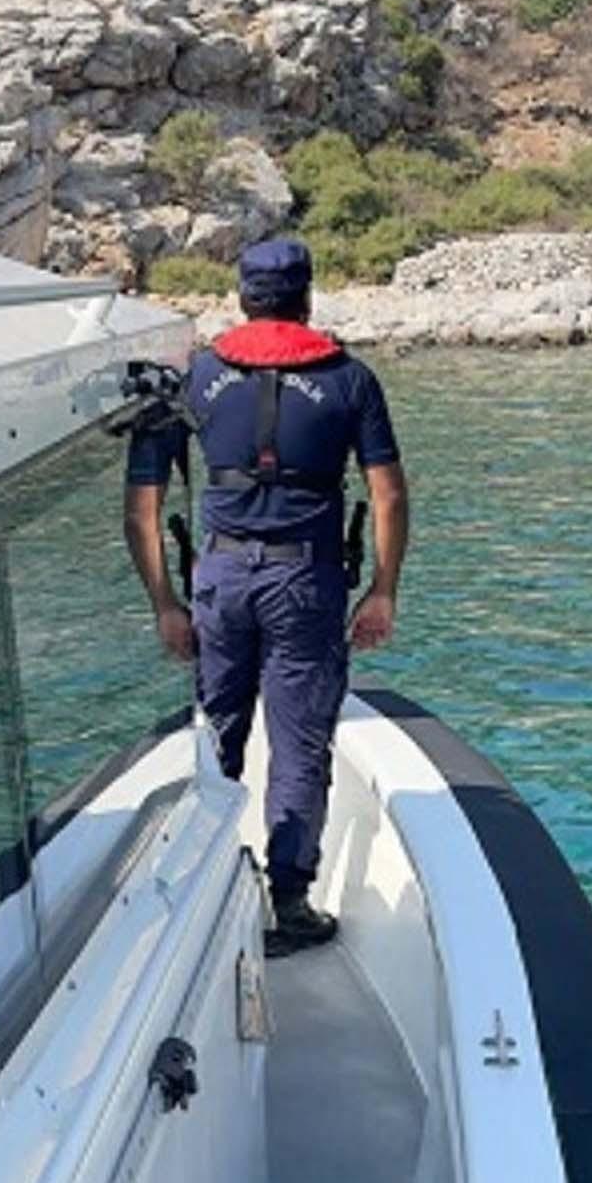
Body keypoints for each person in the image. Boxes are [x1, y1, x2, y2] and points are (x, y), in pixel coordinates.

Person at [124, 239, 409, 957]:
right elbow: (387, 495)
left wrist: (164, 604)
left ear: (243, 297)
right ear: (306, 298)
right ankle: (288, 904)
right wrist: (382, 589)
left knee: (216, 733)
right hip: (306, 582)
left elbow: (141, 507)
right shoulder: (350, 379)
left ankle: (201, 890)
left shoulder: (193, 378)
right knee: (299, 743)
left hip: (219, 579)